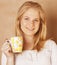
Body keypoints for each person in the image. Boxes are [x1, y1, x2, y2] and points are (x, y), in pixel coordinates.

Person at [1, 1, 57, 65]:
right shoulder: (8, 48)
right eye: (26, 19)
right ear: (19, 21)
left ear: (40, 24)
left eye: (35, 20)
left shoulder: (51, 46)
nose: (31, 24)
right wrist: (10, 58)